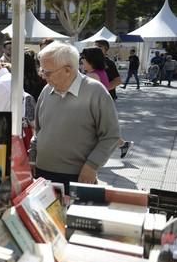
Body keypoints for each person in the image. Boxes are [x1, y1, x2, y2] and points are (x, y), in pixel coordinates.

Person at [29, 42, 120, 191]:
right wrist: (32, 158)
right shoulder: (46, 90)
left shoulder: (95, 91)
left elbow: (111, 135)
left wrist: (92, 165)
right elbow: (39, 131)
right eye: (42, 71)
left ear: (68, 70)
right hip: (42, 175)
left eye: (48, 72)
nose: (43, 77)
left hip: (78, 178)